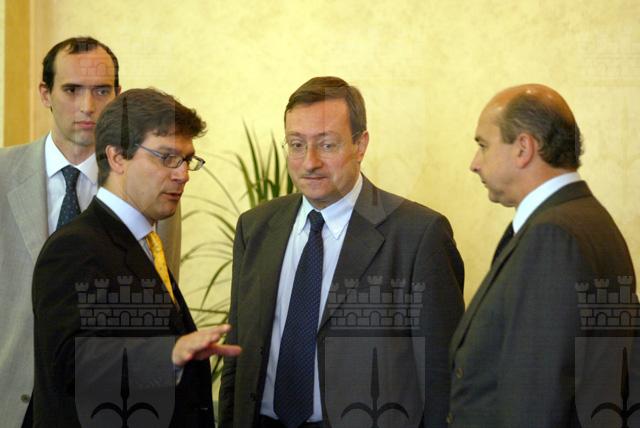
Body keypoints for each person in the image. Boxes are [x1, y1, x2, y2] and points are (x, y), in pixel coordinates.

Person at [219, 76, 464, 428]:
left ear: (360, 145)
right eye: (296, 144)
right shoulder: (255, 227)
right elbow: (237, 352)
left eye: (327, 145)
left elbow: (441, 376)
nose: (309, 162)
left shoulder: (419, 235)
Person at [32, 88, 241, 427]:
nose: (183, 174)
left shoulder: (146, 242)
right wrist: (168, 354)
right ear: (117, 157)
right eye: (167, 157)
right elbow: (70, 363)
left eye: (187, 160)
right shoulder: (75, 247)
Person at [0, 36, 181, 428]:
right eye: (71, 90)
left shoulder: (151, 187)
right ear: (45, 94)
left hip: (113, 403)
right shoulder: (3, 174)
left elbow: (159, 302)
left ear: (117, 96)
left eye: (101, 91)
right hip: (11, 397)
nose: (87, 106)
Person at [448, 84, 637, 427]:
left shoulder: (553, 237)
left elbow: (536, 395)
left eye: (483, 146)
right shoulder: (588, 219)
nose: (474, 164)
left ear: (523, 148)